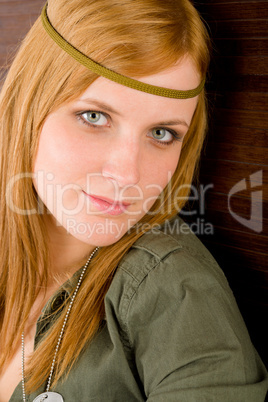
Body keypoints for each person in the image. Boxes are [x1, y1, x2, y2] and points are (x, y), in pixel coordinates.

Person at [0, 0, 267, 400]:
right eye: (94, 117)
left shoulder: (171, 286)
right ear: (28, 106)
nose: (127, 175)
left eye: (162, 133)